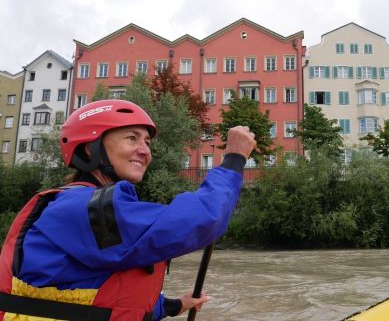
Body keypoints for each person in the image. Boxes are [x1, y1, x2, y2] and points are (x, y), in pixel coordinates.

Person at [0, 99, 256, 320]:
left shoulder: (87, 207)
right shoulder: (81, 208)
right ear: (90, 149)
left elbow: (101, 298)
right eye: (131, 138)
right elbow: (203, 221)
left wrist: (174, 305)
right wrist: (234, 159)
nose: (145, 151)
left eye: (146, 142)